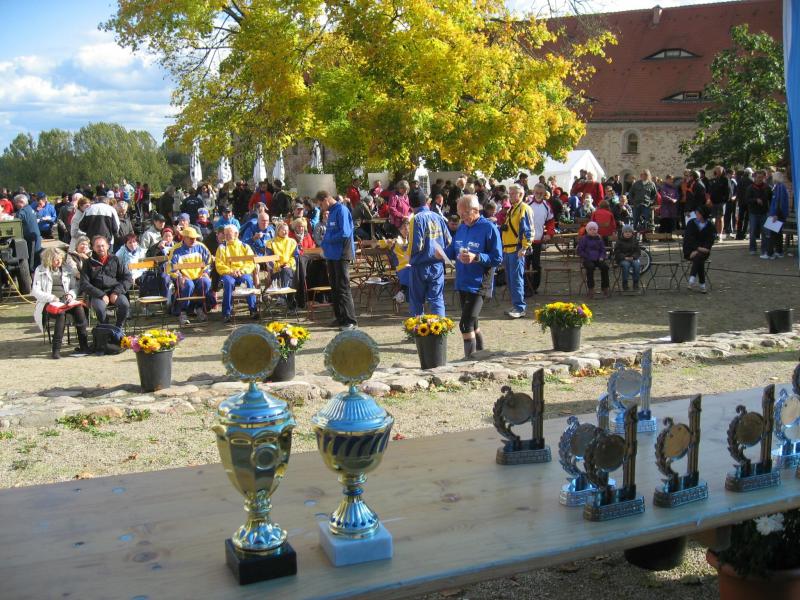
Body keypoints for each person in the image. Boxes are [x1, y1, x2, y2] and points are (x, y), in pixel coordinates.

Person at [444, 195, 502, 359]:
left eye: (464, 214)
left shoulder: (489, 228)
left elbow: (497, 258)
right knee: (473, 323)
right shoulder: (462, 228)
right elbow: (454, 250)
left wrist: (476, 257)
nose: (461, 218)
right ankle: (482, 356)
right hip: (463, 280)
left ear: (476, 210)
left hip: (479, 282)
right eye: (459, 214)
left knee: (465, 324)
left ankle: (469, 361)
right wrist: (441, 253)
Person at [32, 247, 90, 359]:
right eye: (56, 259)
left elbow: (75, 287)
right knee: (61, 313)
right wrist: (51, 297)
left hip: (66, 300)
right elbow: (35, 291)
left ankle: (84, 346)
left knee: (79, 309)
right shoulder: (40, 270)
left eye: (60, 259)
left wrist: (71, 294)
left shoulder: (67, 268)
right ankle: (56, 349)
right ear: (49, 259)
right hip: (48, 302)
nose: (59, 261)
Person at [406, 185, 451, 317]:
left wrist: (406, 254)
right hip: (437, 265)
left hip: (420, 266)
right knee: (437, 299)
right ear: (425, 202)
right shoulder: (438, 217)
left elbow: (416, 246)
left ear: (411, 206)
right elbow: (449, 240)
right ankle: (440, 327)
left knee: (417, 301)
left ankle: (418, 329)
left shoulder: (416, 219)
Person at [315, 191, 357, 330]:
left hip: (342, 253)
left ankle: (350, 320)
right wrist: (324, 245)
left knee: (343, 287)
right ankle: (340, 318)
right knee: (334, 287)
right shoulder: (331, 212)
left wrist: (327, 240)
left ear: (326, 200)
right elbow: (329, 232)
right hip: (331, 254)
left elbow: (345, 232)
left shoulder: (341, 210)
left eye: (321, 205)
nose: (321, 208)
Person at [80, 235, 132, 328]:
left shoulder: (116, 259)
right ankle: (106, 329)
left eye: (103, 245)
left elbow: (127, 278)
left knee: (124, 304)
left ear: (108, 246)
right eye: (98, 246)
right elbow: (84, 284)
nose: (101, 248)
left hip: (115, 291)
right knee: (100, 309)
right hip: (97, 294)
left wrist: (116, 292)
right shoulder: (88, 263)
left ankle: (118, 328)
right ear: (93, 248)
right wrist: (101, 295)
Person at [169, 226, 215, 325]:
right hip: (185, 277)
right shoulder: (176, 250)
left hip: (199, 276)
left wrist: (205, 272)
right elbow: (171, 268)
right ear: (184, 237)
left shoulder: (201, 247)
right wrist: (179, 276)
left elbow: (208, 262)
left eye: (195, 238)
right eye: (191, 238)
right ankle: (183, 311)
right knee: (189, 285)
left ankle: (199, 308)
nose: (194, 240)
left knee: (206, 282)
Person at [500, 184, 533, 319]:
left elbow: (528, 229)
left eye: (513, 193)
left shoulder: (524, 208)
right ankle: (516, 305)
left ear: (521, 194)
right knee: (510, 279)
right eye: (510, 193)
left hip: (516, 249)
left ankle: (520, 308)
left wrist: (524, 247)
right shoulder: (512, 209)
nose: (511, 195)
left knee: (516, 279)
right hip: (508, 249)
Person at [215, 225, 259, 323]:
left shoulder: (245, 246)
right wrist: (230, 271)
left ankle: (253, 309)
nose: (226, 236)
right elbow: (219, 264)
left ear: (236, 234)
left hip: (242, 272)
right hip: (228, 273)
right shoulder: (221, 248)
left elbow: (250, 262)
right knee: (228, 282)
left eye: (229, 234)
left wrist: (242, 271)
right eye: (225, 234)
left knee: (248, 280)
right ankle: (227, 313)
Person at [683, 205, 714, 293]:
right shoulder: (691, 223)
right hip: (690, 251)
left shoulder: (710, 225)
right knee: (699, 258)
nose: (696, 214)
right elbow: (688, 239)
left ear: (703, 214)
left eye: (698, 213)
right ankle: (702, 285)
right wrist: (697, 249)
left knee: (699, 256)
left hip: (703, 251)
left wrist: (703, 249)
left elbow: (710, 240)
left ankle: (692, 279)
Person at [577, 221, 609, 298]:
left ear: (597, 230)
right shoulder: (584, 239)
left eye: (594, 229)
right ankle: (591, 288)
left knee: (605, 267)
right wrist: (587, 256)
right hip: (587, 259)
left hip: (598, 259)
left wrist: (602, 257)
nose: (593, 231)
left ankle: (605, 287)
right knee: (590, 267)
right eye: (590, 229)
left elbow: (603, 250)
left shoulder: (599, 239)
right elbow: (580, 251)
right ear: (587, 230)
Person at [267, 222, 299, 298]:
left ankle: (283, 297)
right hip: (276, 270)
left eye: (287, 230)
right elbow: (269, 259)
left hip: (290, 268)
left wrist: (289, 264)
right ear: (278, 231)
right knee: (284, 271)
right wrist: (278, 266)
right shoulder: (271, 243)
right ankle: (285, 297)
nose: (286, 232)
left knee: (286, 271)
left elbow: (295, 257)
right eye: (284, 230)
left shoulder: (292, 242)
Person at [12, 193, 42, 271]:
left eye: (16, 203)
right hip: (36, 237)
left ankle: (31, 276)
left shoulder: (22, 211)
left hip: (31, 239)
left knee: (31, 262)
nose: (15, 205)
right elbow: (38, 216)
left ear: (21, 202)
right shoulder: (30, 208)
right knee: (36, 258)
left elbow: (16, 220)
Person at [747, 170, 772, 257]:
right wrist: (755, 200)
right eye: (758, 177)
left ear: (764, 177)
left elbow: (771, 199)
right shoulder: (750, 187)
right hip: (753, 213)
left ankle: (764, 249)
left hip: (764, 212)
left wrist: (770, 211)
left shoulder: (767, 187)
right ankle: (752, 248)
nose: (760, 179)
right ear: (755, 177)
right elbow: (747, 199)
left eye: (761, 177)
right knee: (752, 231)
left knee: (765, 232)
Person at [766, 171, 789, 259]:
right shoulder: (780, 186)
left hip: (776, 214)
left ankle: (770, 253)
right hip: (779, 214)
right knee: (778, 234)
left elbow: (779, 202)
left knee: (772, 234)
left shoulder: (779, 187)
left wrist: (776, 214)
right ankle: (779, 252)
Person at [388, 217, 411, 303]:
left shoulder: (411, 240)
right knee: (410, 273)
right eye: (404, 229)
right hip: (401, 267)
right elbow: (383, 242)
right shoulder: (396, 240)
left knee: (415, 272)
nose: (406, 231)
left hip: (410, 265)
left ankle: (402, 292)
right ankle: (404, 293)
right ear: (400, 230)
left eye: (408, 229)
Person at [613, 225, 641, 291]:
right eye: (626, 232)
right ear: (623, 233)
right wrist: (624, 257)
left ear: (632, 233)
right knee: (626, 265)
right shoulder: (619, 241)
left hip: (633, 258)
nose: (628, 233)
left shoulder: (635, 240)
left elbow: (638, 251)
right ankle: (625, 283)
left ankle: (636, 283)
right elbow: (617, 252)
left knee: (637, 264)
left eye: (629, 232)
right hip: (622, 259)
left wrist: (633, 257)